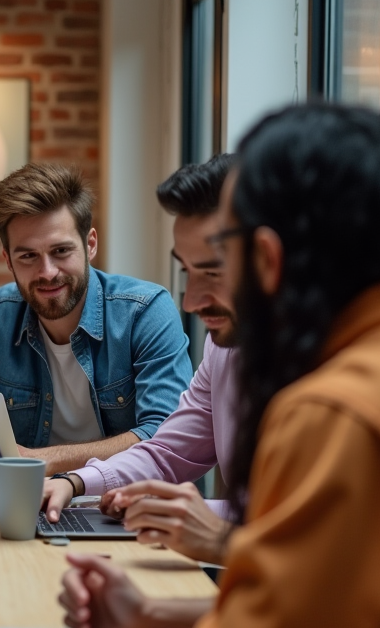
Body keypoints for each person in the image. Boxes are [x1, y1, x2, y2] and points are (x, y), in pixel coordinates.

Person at [61, 104, 380, 628]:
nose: (192, 302)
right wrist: (158, 613)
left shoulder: (342, 410)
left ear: (269, 259)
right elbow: (325, 615)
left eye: (221, 267)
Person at [0, 163, 191, 487]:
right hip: (28, 498)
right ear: (8, 260)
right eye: (28, 256)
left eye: (61, 251)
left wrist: (45, 460)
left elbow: (165, 437)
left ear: (90, 244)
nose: (47, 272)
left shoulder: (145, 312)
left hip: (126, 500)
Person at [41, 155, 237, 562]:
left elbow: (315, 537)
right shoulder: (224, 347)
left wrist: (203, 524)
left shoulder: (339, 371)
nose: (191, 302)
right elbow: (167, 452)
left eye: (213, 273)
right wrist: (76, 482)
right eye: (187, 273)